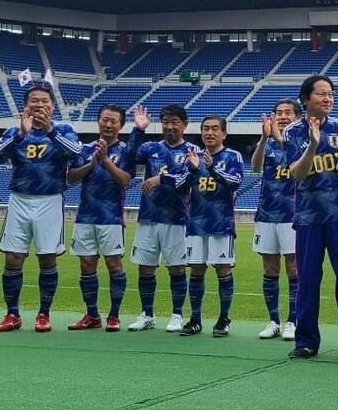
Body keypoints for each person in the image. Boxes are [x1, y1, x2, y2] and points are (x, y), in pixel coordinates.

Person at [0, 82, 83, 332]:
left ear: (52, 106)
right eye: (34, 100)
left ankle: (44, 313)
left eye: (44, 101)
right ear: (25, 105)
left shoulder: (64, 129)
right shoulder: (14, 130)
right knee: (13, 257)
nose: (39, 104)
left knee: (47, 257)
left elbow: (76, 154)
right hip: (19, 199)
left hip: (50, 200)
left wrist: (50, 131)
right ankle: (12, 313)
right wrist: (20, 135)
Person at [285, 75, 338, 361]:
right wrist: (312, 145)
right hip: (308, 217)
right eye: (320, 94)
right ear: (305, 99)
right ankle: (306, 341)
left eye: (330, 94)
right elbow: (297, 173)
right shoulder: (293, 131)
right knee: (307, 279)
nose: (327, 99)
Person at [66, 103, 137, 332]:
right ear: (98, 121)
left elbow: (125, 180)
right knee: (87, 265)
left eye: (113, 121)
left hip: (111, 217)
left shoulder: (126, 151)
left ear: (121, 125)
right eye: (105, 119)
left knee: (114, 264)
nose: (108, 124)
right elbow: (71, 177)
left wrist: (105, 160)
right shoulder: (84, 149)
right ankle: (92, 314)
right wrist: (92, 163)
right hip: (85, 216)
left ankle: (114, 315)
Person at [128, 105, 197, 333]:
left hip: (177, 219)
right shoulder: (151, 147)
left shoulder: (192, 151)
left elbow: (186, 180)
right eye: (166, 121)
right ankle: (147, 314)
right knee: (145, 268)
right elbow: (129, 157)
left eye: (175, 122)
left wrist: (162, 177)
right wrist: (138, 130)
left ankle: (177, 315)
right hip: (148, 216)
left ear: (185, 124)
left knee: (177, 269)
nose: (170, 126)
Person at [181, 116, 243, 337]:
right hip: (196, 224)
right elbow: (180, 186)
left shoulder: (233, 156)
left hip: (221, 224)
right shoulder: (192, 157)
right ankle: (195, 319)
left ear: (224, 134)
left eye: (215, 129)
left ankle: (223, 319)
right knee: (196, 270)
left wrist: (212, 168)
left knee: (223, 270)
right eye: (206, 128)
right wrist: (191, 170)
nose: (210, 132)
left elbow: (235, 183)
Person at [250, 99, 300, 341]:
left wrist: (281, 139)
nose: (281, 117)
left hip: (293, 215)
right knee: (269, 268)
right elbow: (256, 166)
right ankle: (273, 320)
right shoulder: (267, 143)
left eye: (287, 113)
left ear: (297, 117)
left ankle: (293, 320)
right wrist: (262, 139)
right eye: (278, 113)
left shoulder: (302, 141)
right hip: (267, 214)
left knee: (294, 269)